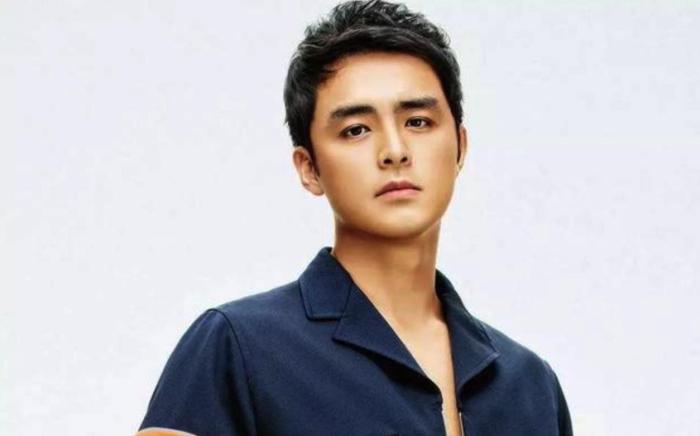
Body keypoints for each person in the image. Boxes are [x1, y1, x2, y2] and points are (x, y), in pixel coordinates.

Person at [137, 1, 573, 435]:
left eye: (418, 121)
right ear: (309, 168)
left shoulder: (530, 385)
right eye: (356, 130)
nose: (395, 150)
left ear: (460, 146)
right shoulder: (237, 346)